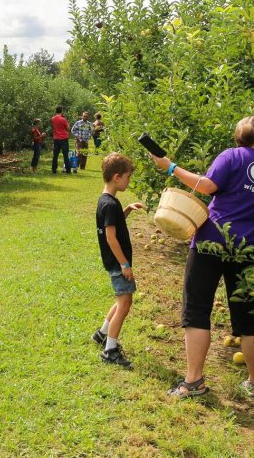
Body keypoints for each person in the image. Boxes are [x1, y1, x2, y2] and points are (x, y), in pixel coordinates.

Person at [149, 116, 254, 398]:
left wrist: (171, 167)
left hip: (211, 242)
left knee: (197, 309)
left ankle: (193, 382)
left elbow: (206, 186)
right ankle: (253, 382)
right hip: (248, 250)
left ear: (238, 140)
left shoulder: (231, 156)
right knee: (248, 317)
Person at [91, 152, 145, 367]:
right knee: (125, 303)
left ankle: (101, 334)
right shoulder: (110, 204)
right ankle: (110, 350)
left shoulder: (106, 201)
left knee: (120, 300)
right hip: (117, 263)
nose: (128, 181)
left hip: (113, 262)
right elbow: (112, 238)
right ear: (116, 177)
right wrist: (125, 264)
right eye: (128, 177)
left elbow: (112, 224)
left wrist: (127, 209)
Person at [50, 106, 71, 174]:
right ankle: (68, 170)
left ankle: (54, 169)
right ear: (61, 111)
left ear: (56, 111)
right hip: (64, 138)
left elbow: (53, 127)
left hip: (56, 138)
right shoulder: (63, 119)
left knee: (55, 155)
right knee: (65, 155)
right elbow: (68, 129)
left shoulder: (53, 119)